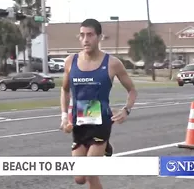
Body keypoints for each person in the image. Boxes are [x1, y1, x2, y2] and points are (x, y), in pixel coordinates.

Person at [60, 18, 137, 189]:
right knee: (79, 178)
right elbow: (65, 90)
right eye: (82, 35)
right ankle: (106, 147)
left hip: (101, 122)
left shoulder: (112, 63)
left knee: (90, 173)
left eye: (90, 35)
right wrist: (64, 117)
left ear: (99, 37)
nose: (85, 39)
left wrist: (126, 110)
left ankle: (103, 143)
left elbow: (132, 90)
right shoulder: (70, 62)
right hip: (79, 123)